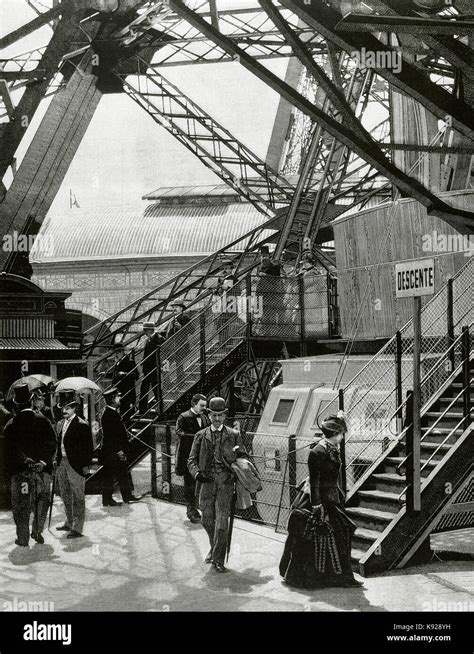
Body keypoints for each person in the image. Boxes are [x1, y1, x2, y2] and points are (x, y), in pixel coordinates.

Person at [279, 414, 363, 589]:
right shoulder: (317, 452)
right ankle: (338, 578)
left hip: (331, 497)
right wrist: (317, 506)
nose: (342, 437)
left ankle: (338, 576)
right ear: (334, 433)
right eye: (341, 433)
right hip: (320, 500)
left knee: (336, 535)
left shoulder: (330, 448)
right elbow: (315, 481)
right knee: (326, 536)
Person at [188, 396, 248, 573]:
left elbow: (243, 456)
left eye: (220, 415)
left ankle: (218, 559)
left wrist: (238, 467)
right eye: (214, 415)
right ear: (209, 415)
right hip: (206, 483)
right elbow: (191, 459)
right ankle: (214, 548)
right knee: (207, 520)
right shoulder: (200, 435)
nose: (216, 419)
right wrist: (197, 473)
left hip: (225, 483)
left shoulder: (233, 435)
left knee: (222, 522)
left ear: (224, 416)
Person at [4, 383, 56, 546]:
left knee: (21, 506)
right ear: (31, 400)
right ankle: (38, 531)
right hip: (41, 472)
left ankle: (23, 538)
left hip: (21, 474)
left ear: (16, 404)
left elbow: (8, 450)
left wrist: (24, 460)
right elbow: (52, 442)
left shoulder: (11, 425)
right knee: (42, 501)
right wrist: (43, 461)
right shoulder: (43, 420)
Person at [54, 391, 93, 539]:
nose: (64, 410)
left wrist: (85, 466)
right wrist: (55, 459)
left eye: (68, 408)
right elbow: (58, 444)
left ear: (74, 408)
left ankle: (77, 527)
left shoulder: (82, 425)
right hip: (62, 463)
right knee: (65, 494)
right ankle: (69, 522)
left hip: (76, 465)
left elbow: (88, 448)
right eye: (62, 407)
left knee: (78, 496)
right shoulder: (60, 424)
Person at [99, 387, 141, 506]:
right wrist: (119, 451)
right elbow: (110, 436)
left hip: (114, 450)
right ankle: (108, 500)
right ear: (112, 399)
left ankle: (125, 497)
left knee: (121, 473)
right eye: (117, 396)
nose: (119, 398)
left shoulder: (112, 413)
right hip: (113, 451)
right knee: (111, 475)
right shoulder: (108, 414)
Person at [175, 394, 210, 524]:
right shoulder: (183, 417)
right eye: (202, 405)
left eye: (205, 406)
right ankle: (192, 512)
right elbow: (179, 433)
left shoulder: (205, 418)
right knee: (190, 486)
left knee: (201, 485)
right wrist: (196, 437)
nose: (204, 408)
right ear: (194, 404)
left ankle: (201, 509)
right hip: (189, 458)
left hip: (203, 457)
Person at [138, 322, 164, 415]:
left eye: (145, 330)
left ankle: (160, 406)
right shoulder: (148, 340)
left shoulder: (159, 339)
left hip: (154, 368)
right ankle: (142, 409)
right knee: (144, 388)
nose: (144, 332)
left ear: (149, 330)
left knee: (156, 389)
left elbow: (161, 352)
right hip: (148, 369)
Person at [112, 343, 138, 423]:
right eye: (116, 352)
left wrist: (124, 373)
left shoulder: (130, 361)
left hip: (128, 393)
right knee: (122, 414)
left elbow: (136, 375)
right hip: (120, 393)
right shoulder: (118, 363)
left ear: (122, 352)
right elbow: (115, 375)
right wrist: (106, 374)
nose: (117, 354)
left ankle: (128, 432)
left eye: (118, 352)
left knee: (127, 415)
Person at [165, 301, 191, 382]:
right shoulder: (173, 319)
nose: (174, 309)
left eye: (176, 307)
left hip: (181, 345)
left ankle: (180, 382)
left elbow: (192, 330)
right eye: (173, 307)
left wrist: (181, 327)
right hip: (172, 346)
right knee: (168, 365)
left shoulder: (185, 318)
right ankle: (171, 383)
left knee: (179, 365)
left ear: (181, 308)